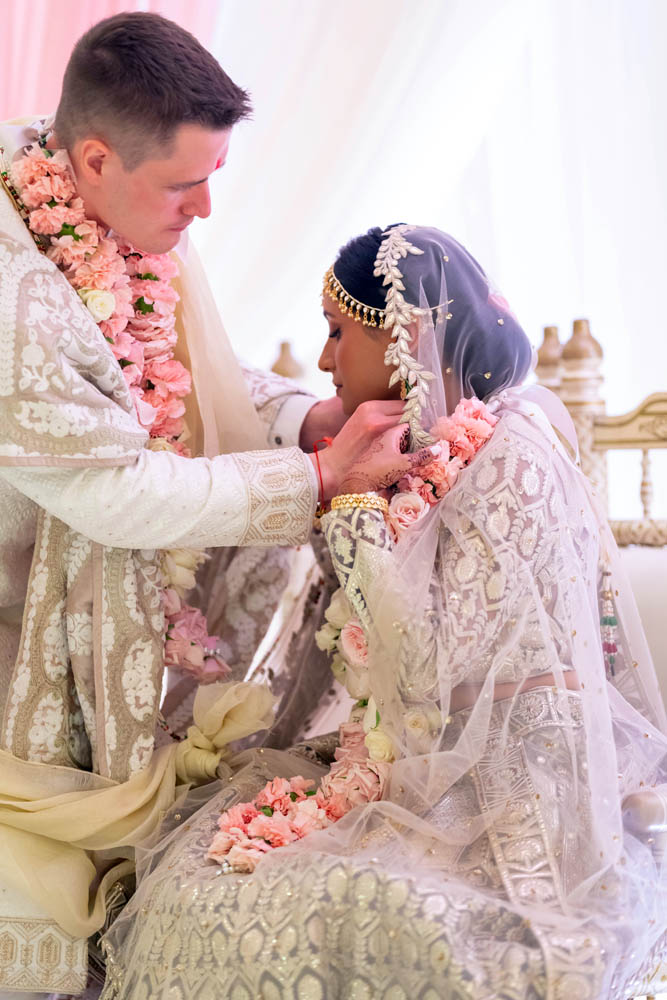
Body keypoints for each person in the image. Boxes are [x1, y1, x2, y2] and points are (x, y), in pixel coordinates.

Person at [101, 225, 667, 1000]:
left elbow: (429, 670)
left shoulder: (512, 457)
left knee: (346, 907)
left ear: (405, 334)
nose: (325, 358)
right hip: (409, 760)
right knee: (198, 866)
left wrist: (357, 508)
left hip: (508, 789)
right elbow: (350, 658)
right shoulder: (414, 451)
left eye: (337, 333)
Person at [0, 16, 424, 996]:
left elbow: (186, 373)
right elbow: (115, 489)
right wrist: (315, 485)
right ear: (96, 159)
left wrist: (304, 423)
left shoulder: (94, 197)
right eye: (187, 186)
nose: (205, 210)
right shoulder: (17, 300)